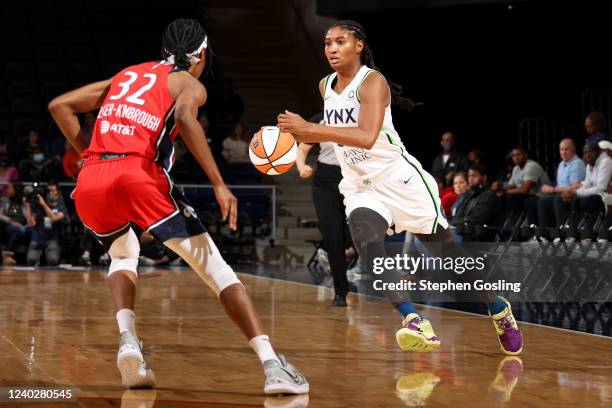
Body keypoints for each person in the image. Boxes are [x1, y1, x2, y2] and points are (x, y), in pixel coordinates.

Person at [48, 18, 308, 395]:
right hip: (138, 173)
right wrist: (219, 183)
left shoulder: (128, 74)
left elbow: (61, 106)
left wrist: (87, 155)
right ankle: (272, 365)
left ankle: (129, 341)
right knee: (216, 270)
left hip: (92, 181)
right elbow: (186, 118)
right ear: (200, 54)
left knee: (124, 255)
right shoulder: (188, 82)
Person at [276, 19, 522, 355]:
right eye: (327, 42)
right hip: (361, 186)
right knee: (369, 250)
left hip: (399, 179)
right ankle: (414, 321)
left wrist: (312, 130)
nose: (331, 48)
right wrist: (295, 139)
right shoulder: (325, 86)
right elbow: (326, 132)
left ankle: (497, 307)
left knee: (451, 261)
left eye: (340, 42)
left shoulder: (372, 82)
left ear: (358, 46)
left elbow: (365, 136)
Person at [295, 112, 350, 307]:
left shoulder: (359, 116)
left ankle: (350, 252)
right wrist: (301, 166)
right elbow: (302, 148)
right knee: (333, 237)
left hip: (354, 178)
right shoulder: (320, 119)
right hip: (325, 180)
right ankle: (340, 292)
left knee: (355, 233)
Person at [524, 138, 585, 228]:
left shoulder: (577, 164)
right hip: (559, 194)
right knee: (530, 201)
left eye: (567, 149)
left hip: (572, 196)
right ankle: (536, 232)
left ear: (574, 150)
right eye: (561, 149)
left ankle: (558, 233)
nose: (564, 152)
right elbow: (561, 185)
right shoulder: (561, 164)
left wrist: (552, 189)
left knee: (545, 201)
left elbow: (574, 188)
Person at [555, 141, 612, 228]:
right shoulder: (590, 164)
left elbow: (601, 188)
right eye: (585, 152)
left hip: (605, 197)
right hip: (595, 195)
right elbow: (587, 185)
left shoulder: (606, 161)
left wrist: (576, 193)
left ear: (598, 152)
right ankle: (565, 230)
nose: (587, 155)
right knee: (570, 200)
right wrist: (573, 192)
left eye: (590, 152)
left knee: (585, 201)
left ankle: (577, 231)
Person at [450, 164, 502, 242]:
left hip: (477, 236)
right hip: (464, 231)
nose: (470, 179)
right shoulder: (471, 194)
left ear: (484, 178)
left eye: (474, 176)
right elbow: (460, 215)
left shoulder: (488, 196)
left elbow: (476, 219)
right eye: (469, 176)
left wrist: (452, 224)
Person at [24, 181, 67, 266]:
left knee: (53, 260)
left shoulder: (61, 207)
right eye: (49, 191)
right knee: (30, 260)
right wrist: (28, 205)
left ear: (58, 192)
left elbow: (54, 218)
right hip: (37, 238)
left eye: (53, 190)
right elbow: (31, 223)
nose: (51, 193)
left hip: (51, 239)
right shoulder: (37, 205)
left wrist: (44, 204)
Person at [498, 146, 550, 213]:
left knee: (511, 197)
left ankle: (516, 218)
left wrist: (505, 192)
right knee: (498, 195)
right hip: (529, 195)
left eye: (518, 155)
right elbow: (510, 185)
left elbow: (524, 190)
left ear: (525, 155)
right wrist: (500, 186)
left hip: (541, 196)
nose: (516, 158)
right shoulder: (516, 168)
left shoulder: (531, 166)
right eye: (513, 156)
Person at [0, 182, 29, 265]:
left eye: (9, 188)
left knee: (29, 230)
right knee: (17, 230)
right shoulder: (5, 200)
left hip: (25, 226)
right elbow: (0, 215)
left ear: (16, 189)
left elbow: (29, 218)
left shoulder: (24, 201)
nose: (7, 190)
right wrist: (10, 221)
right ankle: (7, 254)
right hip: (9, 225)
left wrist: (26, 205)